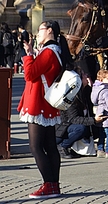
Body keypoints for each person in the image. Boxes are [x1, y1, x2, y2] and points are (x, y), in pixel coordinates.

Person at [17, 20, 73, 199]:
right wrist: (32, 53)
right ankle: (54, 185)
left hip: (38, 103)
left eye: (40, 30)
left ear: (49, 31)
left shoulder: (49, 52)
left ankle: (48, 184)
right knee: (49, 145)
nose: (37, 33)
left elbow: (29, 74)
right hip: (45, 103)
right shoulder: (54, 51)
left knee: (36, 147)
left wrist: (27, 56)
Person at [55, 67, 108, 159]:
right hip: (63, 128)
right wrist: (94, 120)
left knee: (95, 129)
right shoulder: (71, 96)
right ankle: (62, 146)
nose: (86, 76)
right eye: (84, 75)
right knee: (81, 129)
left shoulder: (85, 92)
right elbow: (73, 119)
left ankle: (72, 147)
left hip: (72, 127)